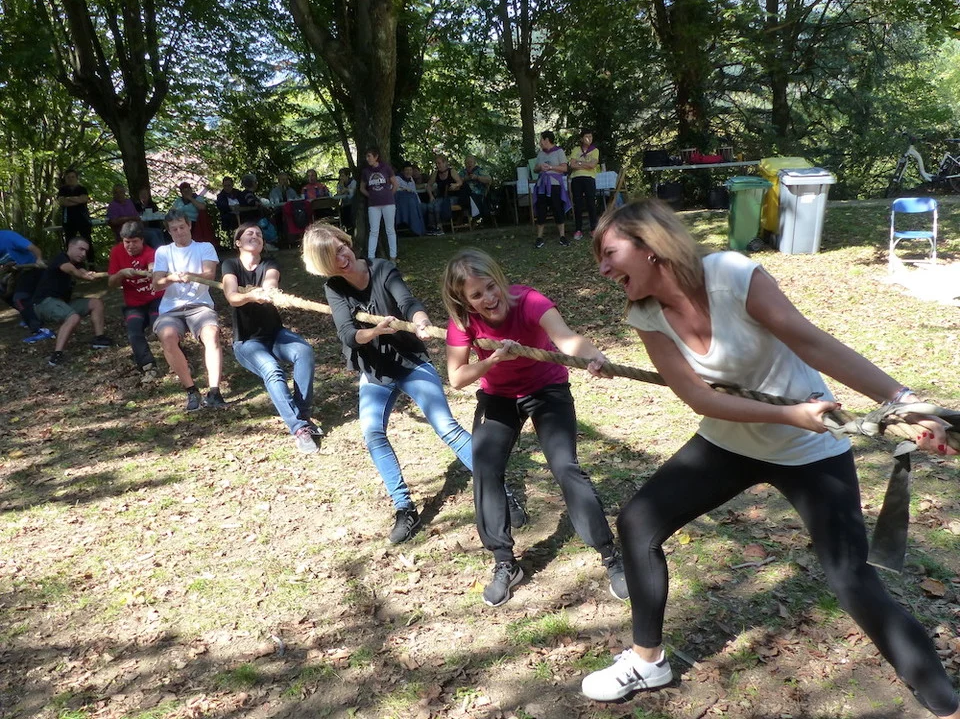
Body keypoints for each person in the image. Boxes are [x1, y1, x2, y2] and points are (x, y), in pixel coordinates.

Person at [580, 199, 960, 718]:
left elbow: (811, 342)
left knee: (850, 577)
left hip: (809, 450)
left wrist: (902, 403)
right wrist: (789, 415)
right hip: (729, 442)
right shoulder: (645, 315)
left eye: (609, 254)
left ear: (649, 246)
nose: (603, 270)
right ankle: (648, 662)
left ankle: (945, 704)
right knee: (638, 522)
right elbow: (698, 398)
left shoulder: (730, 275)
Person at [440, 248, 627, 608]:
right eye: (476, 294)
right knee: (485, 466)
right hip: (499, 396)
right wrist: (494, 360)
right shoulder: (463, 322)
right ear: (464, 299)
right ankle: (504, 562)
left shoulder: (529, 301)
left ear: (499, 279)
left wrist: (593, 356)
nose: (489, 298)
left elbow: (566, 338)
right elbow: (457, 377)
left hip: (546, 389)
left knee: (565, 466)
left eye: (491, 286)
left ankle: (610, 557)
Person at [301, 223, 477, 543]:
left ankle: (498, 489)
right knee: (372, 433)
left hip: (409, 362)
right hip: (375, 372)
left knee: (446, 426)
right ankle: (404, 508)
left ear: (347, 241)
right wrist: (375, 331)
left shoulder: (381, 268)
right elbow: (347, 335)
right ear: (324, 264)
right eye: (332, 256)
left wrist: (421, 321)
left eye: (342, 247)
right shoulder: (335, 288)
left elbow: (408, 302)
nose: (342, 257)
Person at [222, 222, 322, 454]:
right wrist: (250, 296)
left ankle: (303, 414)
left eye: (259, 234)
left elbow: (271, 282)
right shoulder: (230, 265)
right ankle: (299, 428)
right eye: (249, 233)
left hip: (275, 334)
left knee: (304, 351)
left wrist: (266, 292)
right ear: (238, 242)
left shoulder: (270, 263)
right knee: (272, 370)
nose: (255, 236)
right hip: (247, 341)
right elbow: (231, 296)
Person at [151, 209, 225, 411]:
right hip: (171, 309)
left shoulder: (205, 247)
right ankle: (191, 390)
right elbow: (156, 284)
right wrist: (171, 278)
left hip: (200, 305)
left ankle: (214, 391)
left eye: (182, 227)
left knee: (211, 334)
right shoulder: (163, 252)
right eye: (174, 229)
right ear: (169, 231)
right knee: (167, 336)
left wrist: (191, 275)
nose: (179, 232)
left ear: (189, 226)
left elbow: (209, 275)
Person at [33, 235, 113, 366]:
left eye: (86, 251)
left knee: (96, 303)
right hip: (44, 303)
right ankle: (56, 355)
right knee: (73, 317)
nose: (83, 254)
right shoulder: (61, 258)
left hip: (62, 303)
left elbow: (81, 270)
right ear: (70, 246)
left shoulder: (77, 264)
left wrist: (87, 274)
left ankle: (99, 339)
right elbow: (70, 269)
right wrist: (83, 275)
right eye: (81, 249)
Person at [108, 221, 164, 381]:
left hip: (156, 299)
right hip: (134, 304)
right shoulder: (116, 252)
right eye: (127, 242)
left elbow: (152, 266)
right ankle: (147, 365)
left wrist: (151, 271)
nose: (131, 246)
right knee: (133, 331)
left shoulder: (151, 252)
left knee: (162, 328)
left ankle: (181, 359)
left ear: (142, 240)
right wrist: (121, 274)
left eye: (135, 242)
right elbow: (111, 283)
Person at [0, 229, 52, 343]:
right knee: (2, 290)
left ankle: (40, 330)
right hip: (17, 272)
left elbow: (35, 249)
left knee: (20, 299)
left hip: (33, 269)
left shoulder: (8, 237)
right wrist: (7, 267)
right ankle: (29, 314)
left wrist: (39, 259)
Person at [359, 147, 399, 261]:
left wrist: (388, 195)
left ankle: (393, 256)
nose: (367, 159)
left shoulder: (386, 168)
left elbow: (395, 184)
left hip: (388, 204)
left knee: (390, 230)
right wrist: (371, 195)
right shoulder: (366, 171)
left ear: (376, 157)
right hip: (373, 205)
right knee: (374, 231)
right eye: (366, 156)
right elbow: (362, 188)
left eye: (369, 156)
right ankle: (371, 258)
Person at [533, 131, 570, 249]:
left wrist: (551, 167)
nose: (540, 142)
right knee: (541, 209)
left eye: (541, 140)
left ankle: (562, 236)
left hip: (554, 184)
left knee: (557, 208)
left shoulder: (559, 151)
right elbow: (535, 169)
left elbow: (565, 168)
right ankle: (539, 237)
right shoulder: (540, 153)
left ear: (546, 140)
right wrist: (540, 167)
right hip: (542, 185)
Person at [568, 129, 600, 240]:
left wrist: (579, 162)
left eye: (591, 137)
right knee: (578, 204)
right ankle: (578, 229)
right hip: (576, 179)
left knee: (591, 203)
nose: (589, 139)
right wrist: (586, 164)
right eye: (587, 137)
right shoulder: (576, 149)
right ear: (581, 139)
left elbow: (592, 165)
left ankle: (593, 228)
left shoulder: (595, 150)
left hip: (589, 179)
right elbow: (572, 165)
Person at [425, 154, 462, 236]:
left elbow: (460, 182)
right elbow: (428, 185)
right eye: (436, 163)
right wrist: (431, 196)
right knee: (430, 205)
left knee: (437, 205)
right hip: (441, 196)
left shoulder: (451, 171)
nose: (438, 165)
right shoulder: (436, 173)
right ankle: (432, 227)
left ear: (445, 163)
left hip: (452, 196)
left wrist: (455, 185)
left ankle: (440, 227)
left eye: (439, 163)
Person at [57, 168, 92, 248]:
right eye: (68, 177)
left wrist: (69, 198)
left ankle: (90, 256)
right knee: (70, 243)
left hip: (83, 219)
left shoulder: (82, 189)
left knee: (87, 241)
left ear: (76, 178)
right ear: (65, 179)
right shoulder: (62, 190)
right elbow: (62, 202)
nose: (71, 179)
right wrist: (78, 200)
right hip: (68, 221)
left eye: (73, 177)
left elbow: (84, 199)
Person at [395, 162, 426, 236]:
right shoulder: (397, 178)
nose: (408, 172)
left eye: (410, 170)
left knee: (423, 207)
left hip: (412, 201)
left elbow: (414, 192)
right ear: (403, 171)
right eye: (406, 170)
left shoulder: (411, 179)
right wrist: (403, 189)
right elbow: (394, 189)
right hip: (401, 203)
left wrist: (419, 203)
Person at [458, 155, 492, 220]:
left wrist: (477, 177)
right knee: (463, 189)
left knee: (467, 197)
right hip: (465, 195)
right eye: (467, 163)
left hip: (478, 194)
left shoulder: (479, 170)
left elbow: (489, 180)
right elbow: (457, 181)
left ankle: (468, 215)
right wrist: (466, 178)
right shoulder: (462, 172)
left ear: (474, 163)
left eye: (470, 162)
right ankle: (464, 215)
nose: (469, 164)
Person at [335, 168, 357, 232]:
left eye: (343, 176)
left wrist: (346, 190)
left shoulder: (353, 182)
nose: (341, 178)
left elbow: (352, 193)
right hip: (344, 204)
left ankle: (351, 228)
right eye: (340, 176)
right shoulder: (340, 184)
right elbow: (339, 194)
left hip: (353, 203)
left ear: (347, 176)